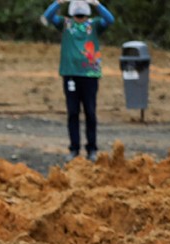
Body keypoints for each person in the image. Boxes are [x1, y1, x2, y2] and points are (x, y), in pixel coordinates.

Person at [41, 0, 115, 162]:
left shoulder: (94, 25)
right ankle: (74, 148)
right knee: (73, 112)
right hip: (70, 74)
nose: (79, 16)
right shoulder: (66, 24)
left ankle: (92, 149)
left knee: (90, 112)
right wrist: (59, 2)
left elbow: (110, 20)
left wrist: (97, 4)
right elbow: (47, 17)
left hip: (89, 75)